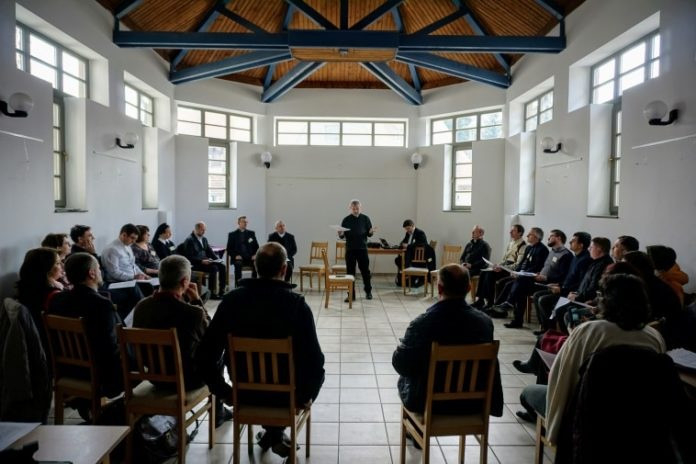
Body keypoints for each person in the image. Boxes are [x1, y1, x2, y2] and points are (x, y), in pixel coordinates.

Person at [195, 243, 325, 458]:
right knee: (311, 367)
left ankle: (272, 434)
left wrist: (225, 393)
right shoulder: (296, 305)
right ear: (284, 269)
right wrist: (304, 397)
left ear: (255, 266)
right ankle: (276, 433)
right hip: (287, 398)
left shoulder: (231, 302)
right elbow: (315, 361)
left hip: (245, 395)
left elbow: (205, 355)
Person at [516, 274, 665, 446]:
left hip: (587, 414)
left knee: (528, 392)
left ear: (607, 300)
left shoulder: (590, 330)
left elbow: (564, 375)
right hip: (638, 417)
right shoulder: (654, 337)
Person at [392, 263, 503, 448]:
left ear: (439, 288)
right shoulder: (484, 322)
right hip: (473, 404)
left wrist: (402, 348)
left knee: (407, 376)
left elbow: (401, 365)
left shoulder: (423, 323)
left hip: (431, 405)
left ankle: (418, 430)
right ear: (469, 288)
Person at [133, 255, 232, 427]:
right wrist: (197, 301)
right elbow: (212, 337)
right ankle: (219, 411)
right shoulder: (192, 313)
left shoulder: (141, 306)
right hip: (188, 380)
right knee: (216, 354)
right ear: (185, 281)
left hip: (155, 377)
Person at [48, 253, 123, 406]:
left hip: (68, 370)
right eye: (99, 268)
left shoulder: (57, 299)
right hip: (99, 374)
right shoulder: (101, 305)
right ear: (92, 273)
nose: (100, 271)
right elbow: (109, 348)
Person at [533, 232, 592, 332]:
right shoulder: (576, 257)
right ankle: (545, 327)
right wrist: (558, 284)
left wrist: (561, 289)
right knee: (537, 295)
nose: (570, 242)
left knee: (544, 300)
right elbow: (568, 278)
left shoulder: (585, 260)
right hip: (564, 289)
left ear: (581, 245)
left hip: (571, 293)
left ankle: (551, 330)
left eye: (573, 241)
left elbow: (581, 283)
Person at [489, 227, 549, 327]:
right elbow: (521, 263)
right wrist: (516, 272)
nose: (527, 236)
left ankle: (509, 307)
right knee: (508, 284)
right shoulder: (529, 248)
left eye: (529, 234)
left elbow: (537, 267)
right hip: (523, 278)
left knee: (518, 288)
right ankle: (504, 308)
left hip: (533, 280)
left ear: (536, 237)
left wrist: (522, 273)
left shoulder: (542, 250)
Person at [16, 247, 64, 350]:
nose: (62, 265)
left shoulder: (26, 289)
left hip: (37, 344)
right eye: (57, 263)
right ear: (46, 269)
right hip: (55, 346)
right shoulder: (54, 296)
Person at [472, 224, 526, 309]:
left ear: (520, 233)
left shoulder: (523, 245)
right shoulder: (511, 243)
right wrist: (498, 265)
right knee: (484, 272)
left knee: (490, 274)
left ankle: (490, 302)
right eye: (511, 230)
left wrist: (503, 268)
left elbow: (518, 264)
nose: (510, 232)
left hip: (511, 269)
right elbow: (504, 259)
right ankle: (480, 300)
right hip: (504, 266)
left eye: (513, 230)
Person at [338, 199, 374, 300]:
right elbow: (342, 236)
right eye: (353, 209)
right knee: (350, 272)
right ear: (350, 208)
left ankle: (368, 292)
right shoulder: (346, 220)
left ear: (360, 208)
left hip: (362, 249)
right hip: (350, 249)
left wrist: (371, 232)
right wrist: (340, 234)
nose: (355, 210)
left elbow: (369, 234)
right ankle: (351, 295)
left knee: (365, 272)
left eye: (357, 208)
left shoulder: (366, 218)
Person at [183, 222, 227, 299]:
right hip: (196, 264)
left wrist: (218, 260)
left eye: (204, 230)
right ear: (196, 229)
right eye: (202, 230)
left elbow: (210, 252)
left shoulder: (204, 239)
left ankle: (222, 291)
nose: (204, 232)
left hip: (205, 262)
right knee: (213, 268)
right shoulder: (189, 240)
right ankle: (211, 292)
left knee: (222, 266)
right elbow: (188, 257)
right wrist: (201, 261)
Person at [394, 219, 427, 284]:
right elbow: (403, 241)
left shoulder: (420, 233)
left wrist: (408, 245)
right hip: (410, 253)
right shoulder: (408, 233)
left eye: (408, 228)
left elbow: (422, 244)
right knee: (397, 259)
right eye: (406, 229)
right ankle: (404, 275)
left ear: (413, 226)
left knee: (402, 259)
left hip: (417, 255)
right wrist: (402, 244)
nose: (407, 230)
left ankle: (406, 275)